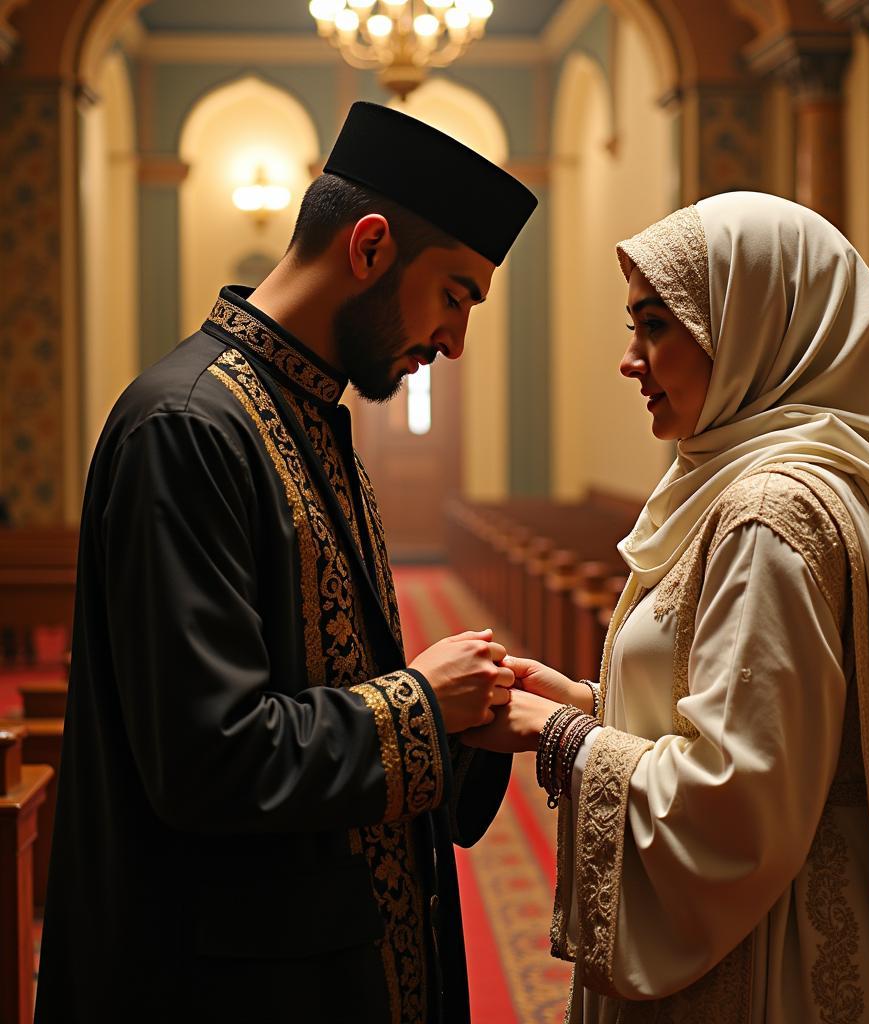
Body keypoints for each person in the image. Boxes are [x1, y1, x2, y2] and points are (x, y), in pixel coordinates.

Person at [35, 102, 537, 1024]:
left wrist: (471, 719)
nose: (456, 341)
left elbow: (334, 680)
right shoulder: (186, 426)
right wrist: (425, 704)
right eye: (456, 295)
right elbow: (208, 758)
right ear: (372, 246)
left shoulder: (305, 413)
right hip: (232, 979)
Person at [466, 193, 869, 1022]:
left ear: (752, 328)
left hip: (768, 964)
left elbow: (735, 803)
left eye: (656, 325)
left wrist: (558, 735)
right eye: (630, 324)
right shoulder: (788, 484)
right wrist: (586, 703)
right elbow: (764, 721)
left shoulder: (768, 513)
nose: (629, 358)